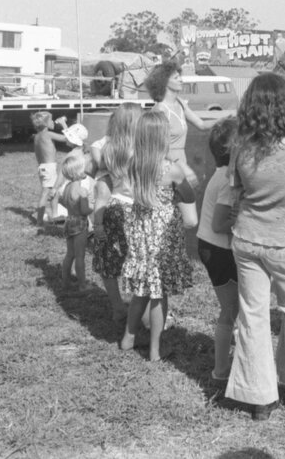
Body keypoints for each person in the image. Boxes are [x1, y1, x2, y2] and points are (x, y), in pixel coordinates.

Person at [221, 72, 285, 421]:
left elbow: (233, 192)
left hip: (248, 239)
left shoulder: (241, 148)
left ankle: (260, 398)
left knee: (253, 315)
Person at [119, 112, 195, 362]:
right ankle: (155, 349)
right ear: (163, 138)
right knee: (159, 294)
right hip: (161, 237)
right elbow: (188, 195)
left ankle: (128, 337)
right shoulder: (170, 169)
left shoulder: (134, 164)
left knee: (141, 290)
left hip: (140, 234)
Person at [91, 104, 142, 323]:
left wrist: (98, 223)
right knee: (140, 259)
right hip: (137, 207)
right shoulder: (142, 147)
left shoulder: (106, 148)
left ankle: (117, 306)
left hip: (112, 206)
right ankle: (140, 307)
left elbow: (99, 179)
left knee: (108, 260)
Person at [196, 117, 239, 382]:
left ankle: (225, 364)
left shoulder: (220, 174)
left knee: (231, 309)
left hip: (211, 247)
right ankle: (221, 370)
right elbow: (219, 223)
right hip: (218, 249)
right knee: (230, 311)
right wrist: (241, 217)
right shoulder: (226, 179)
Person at [58, 151, 94, 293]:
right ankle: (82, 285)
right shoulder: (81, 190)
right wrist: (91, 203)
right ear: (79, 171)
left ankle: (65, 282)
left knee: (69, 254)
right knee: (80, 256)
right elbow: (85, 211)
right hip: (79, 224)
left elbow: (64, 202)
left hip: (69, 221)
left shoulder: (66, 188)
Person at [31, 111, 75, 225]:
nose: (52, 122)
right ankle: (39, 222)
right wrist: (63, 125)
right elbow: (67, 139)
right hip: (49, 167)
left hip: (42, 167)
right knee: (46, 193)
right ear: (45, 124)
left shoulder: (37, 136)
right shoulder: (48, 134)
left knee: (53, 192)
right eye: (51, 120)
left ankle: (55, 216)